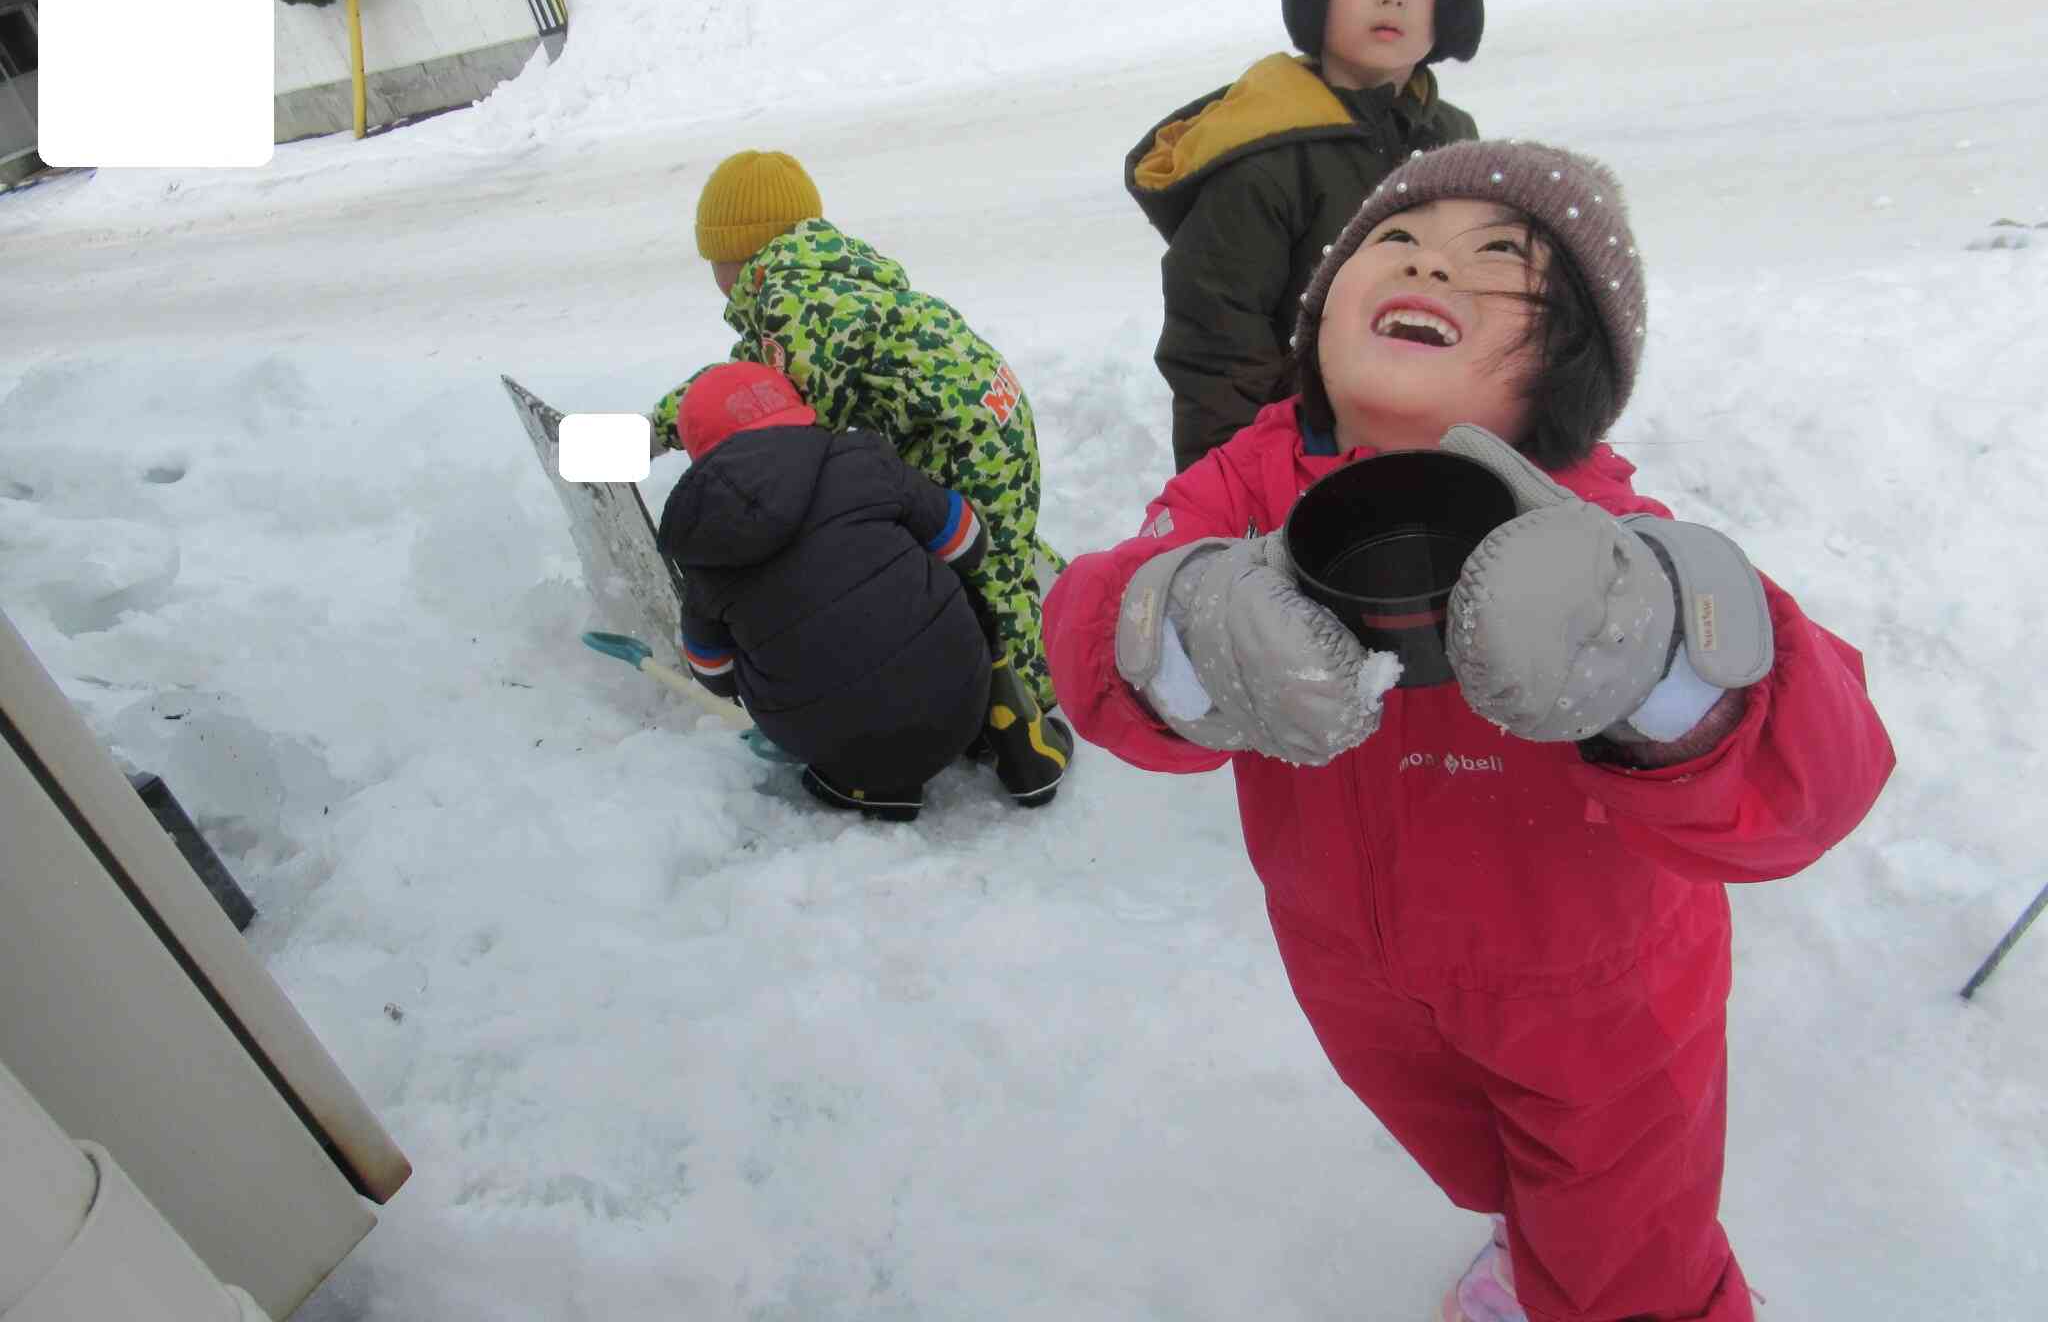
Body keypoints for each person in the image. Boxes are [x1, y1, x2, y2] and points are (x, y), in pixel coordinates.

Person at [1044, 141, 1896, 1322]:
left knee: (1623, 1254)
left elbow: (1814, 786)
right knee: (1479, 1164)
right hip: (1355, 972)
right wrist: (1183, 623)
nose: (1432, 265)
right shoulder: (1241, 494)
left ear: (1563, 366)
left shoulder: (1604, 537)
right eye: (1393, 243)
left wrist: (1657, 661)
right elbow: (1097, 625)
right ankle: (1527, 1242)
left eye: (1498, 262)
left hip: (1599, 1002)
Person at [650, 150, 1072, 805]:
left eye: (713, 258)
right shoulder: (814, 278)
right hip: (984, 412)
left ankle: (1026, 718)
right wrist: (658, 426)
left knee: (983, 573)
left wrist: (658, 437)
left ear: (736, 253)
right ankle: (1064, 604)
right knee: (993, 543)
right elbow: (745, 382)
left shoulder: (798, 302)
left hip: (964, 437)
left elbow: (783, 411)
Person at [1125, 0, 1500, 472]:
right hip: (1302, 462)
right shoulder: (1265, 156)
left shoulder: (1452, 141)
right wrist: (1235, 500)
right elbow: (1217, 352)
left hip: (1433, 445)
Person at [656, 362, 994, 820]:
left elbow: (714, 674)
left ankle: (865, 787)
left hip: (836, 746)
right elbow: (967, 542)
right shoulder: (860, 460)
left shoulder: (704, 542)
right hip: (963, 702)